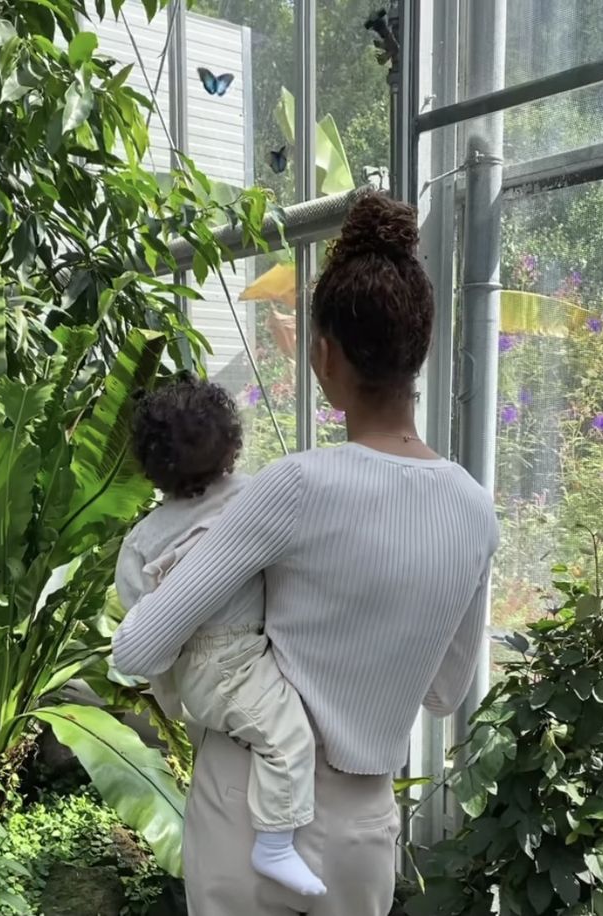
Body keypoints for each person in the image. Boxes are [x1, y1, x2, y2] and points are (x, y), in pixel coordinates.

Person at [113, 191, 500, 916]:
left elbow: (144, 647)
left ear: (323, 353)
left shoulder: (295, 485)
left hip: (247, 808)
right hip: (363, 829)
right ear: (418, 352)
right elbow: (445, 692)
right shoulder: (475, 510)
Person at [114, 377, 326, 898]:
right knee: (285, 737)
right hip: (232, 660)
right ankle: (275, 844)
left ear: (149, 464)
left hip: (196, 667)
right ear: (232, 445)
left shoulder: (144, 536)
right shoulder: (253, 496)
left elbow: (136, 608)